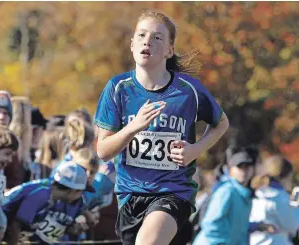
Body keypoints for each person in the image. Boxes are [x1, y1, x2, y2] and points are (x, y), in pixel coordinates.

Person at [94, 10, 229, 245]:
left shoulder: (188, 91)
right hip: (130, 195)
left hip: (173, 191)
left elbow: (221, 123)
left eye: (157, 38)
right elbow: (103, 151)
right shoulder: (118, 88)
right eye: (141, 35)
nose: (147, 41)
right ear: (132, 45)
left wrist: (196, 150)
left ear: (169, 50)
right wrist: (132, 128)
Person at [2, 162, 88, 245]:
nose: (81, 197)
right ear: (74, 190)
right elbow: (15, 226)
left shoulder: (50, 193)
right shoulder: (41, 194)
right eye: (81, 192)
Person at [193, 151, 256, 245]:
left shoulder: (246, 194)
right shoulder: (227, 190)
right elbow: (210, 223)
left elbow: (238, 227)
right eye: (240, 166)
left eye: (247, 166)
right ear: (230, 170)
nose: (244, 170)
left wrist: (257, 226)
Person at [250, 156, 299, 245]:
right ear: (286, 177)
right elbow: (292, 226)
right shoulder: (279, 196)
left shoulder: (256, 192)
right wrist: (296, 206)